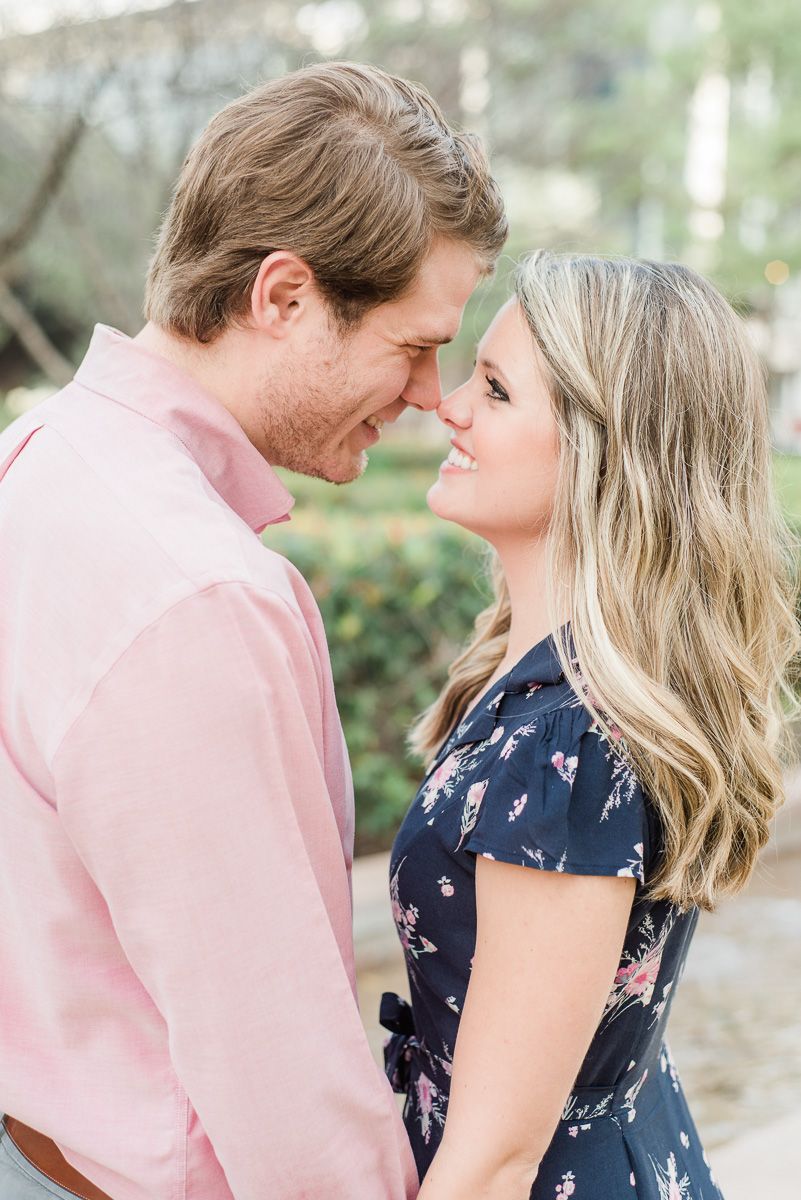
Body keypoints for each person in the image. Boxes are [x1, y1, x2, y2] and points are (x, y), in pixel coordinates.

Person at [0, 62, 506, 1200]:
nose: (432, 392)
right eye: (412, 344)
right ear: (283, 297)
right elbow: (278, 1074)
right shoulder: (196, 592)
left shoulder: (38, 464)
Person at [381, 250, 800, 1200]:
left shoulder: (563, 748)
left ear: (601, 447)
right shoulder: (553, 691)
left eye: (493, 390)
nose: (447, 405)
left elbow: (492, 1163)